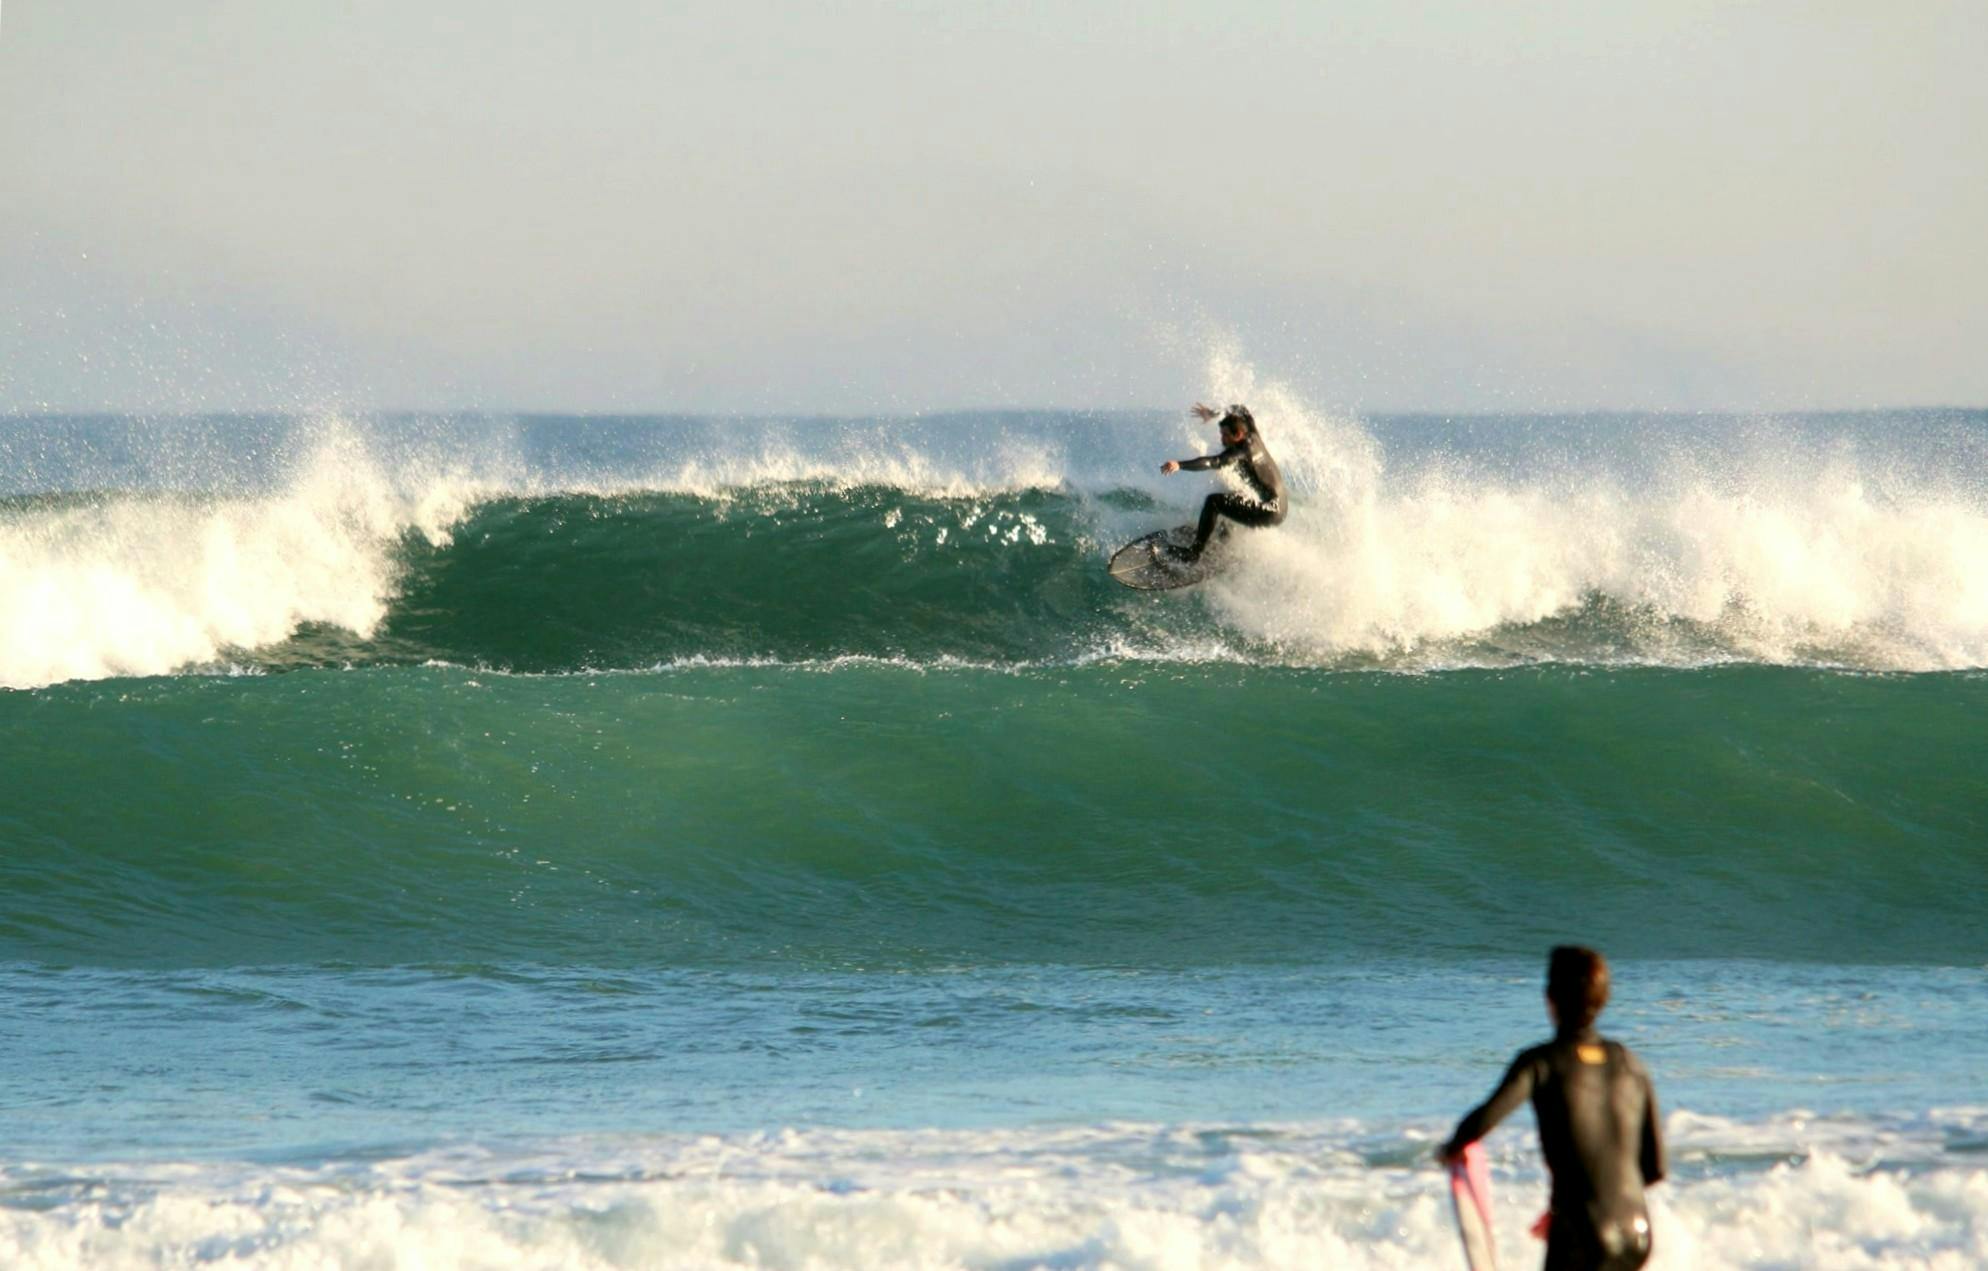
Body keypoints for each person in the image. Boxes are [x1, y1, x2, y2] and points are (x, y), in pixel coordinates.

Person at [1440, 946, 1666, 1271]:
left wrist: (1450, 1149)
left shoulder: (1541, 1063)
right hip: (1637, 1233)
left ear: (1550, 997)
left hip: (1582, 1233)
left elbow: (1482, 1121)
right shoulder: (1631, 1064)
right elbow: (1654, 1166)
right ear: (1603, 999)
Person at [1158, 402, 1286, 562]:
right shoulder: (1253, 434)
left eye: (1226, 435)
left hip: (1270, 511)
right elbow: (1240, 408)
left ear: (1238, 434)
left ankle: (1193, 554)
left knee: (1214, 502)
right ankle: (1224, 542)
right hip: (1279, 507)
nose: (1222, 439)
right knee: (1233, 498)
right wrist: (1213, 413)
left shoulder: (1239, 452)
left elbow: (1213, 462)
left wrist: (1180, 465)